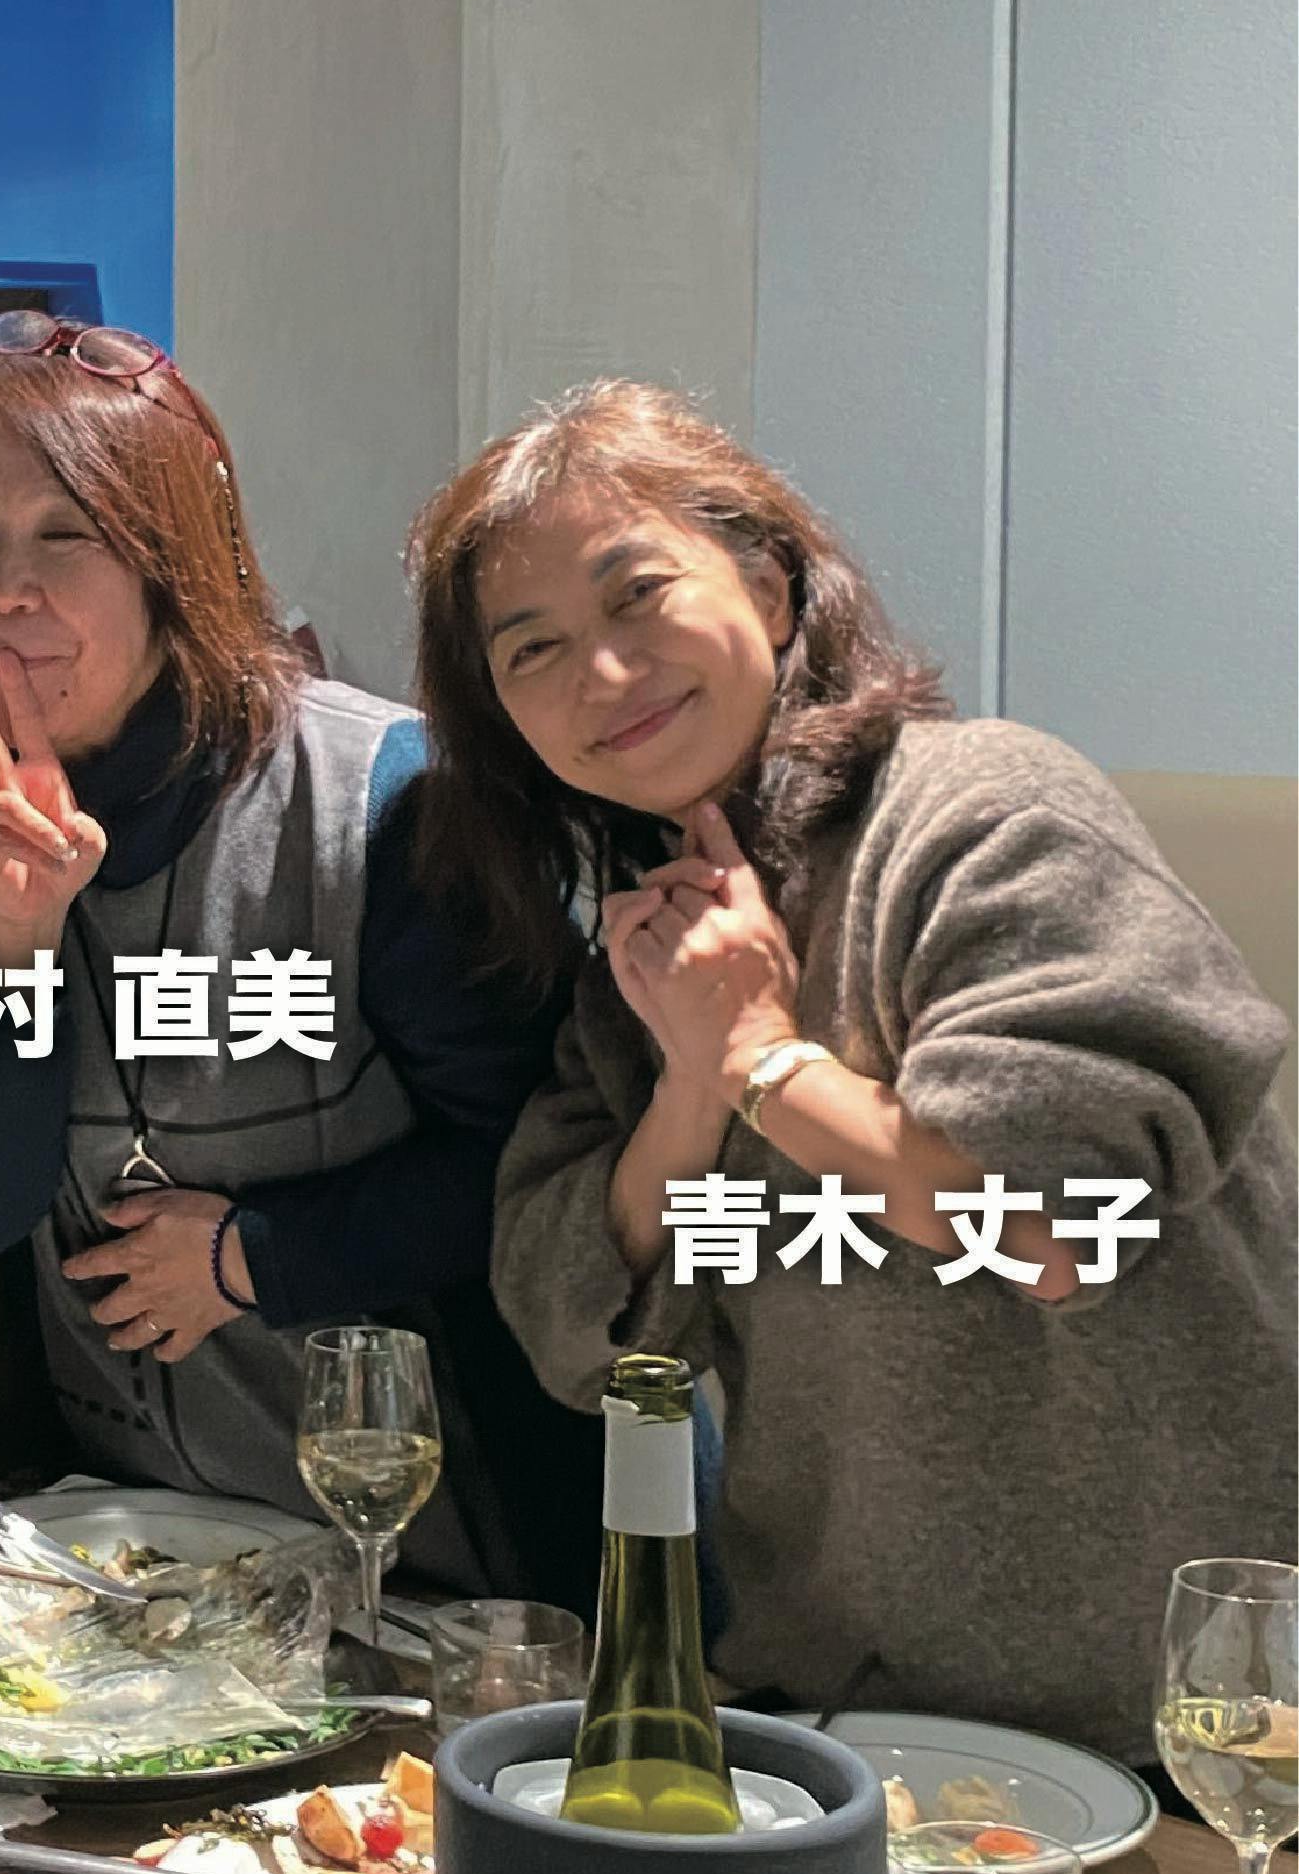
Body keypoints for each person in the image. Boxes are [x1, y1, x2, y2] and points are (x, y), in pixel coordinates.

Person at [406, 378, 1296, 1755]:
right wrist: (690, 1084)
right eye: (534, 650)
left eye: (638, 594)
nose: (603, 673)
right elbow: (585, 1338)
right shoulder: (651, 952)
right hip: (842, 1705)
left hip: (1181, 1712)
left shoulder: (985, 811)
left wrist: (764, 1059)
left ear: (768, 586)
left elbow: (1050, 1229)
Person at [0, 320, 600, 1613]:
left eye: (67, 535)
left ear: (173, 564)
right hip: (148, 1569)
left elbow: (549, 1172)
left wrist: (254, 1257)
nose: (2, 589)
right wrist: (13, 942)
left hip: (453, 1570)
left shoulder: (384, 804)